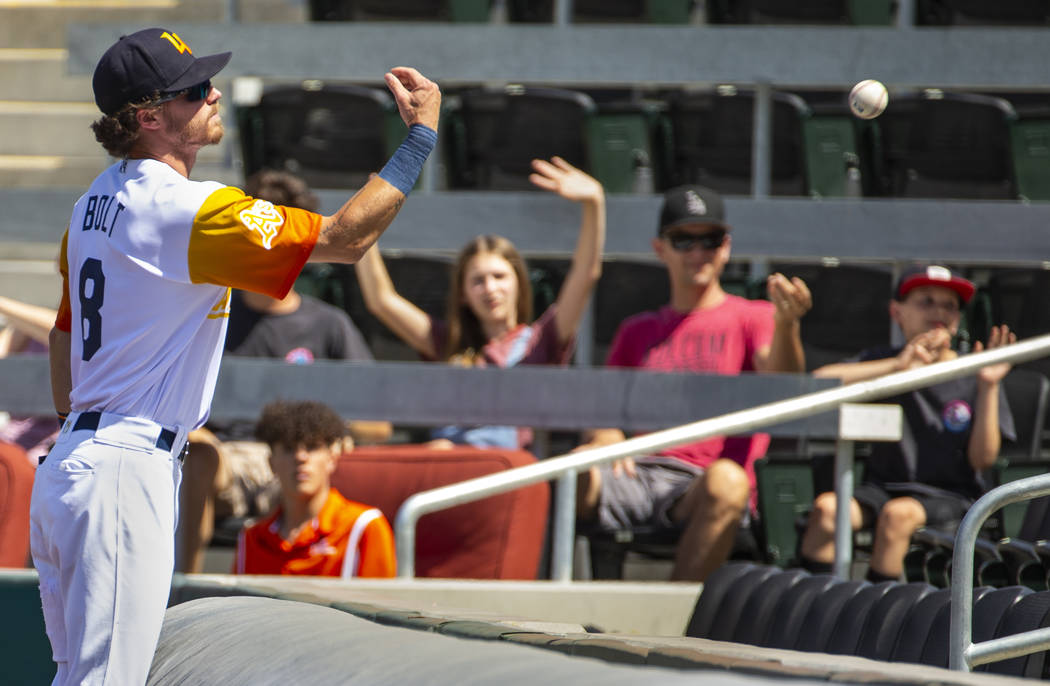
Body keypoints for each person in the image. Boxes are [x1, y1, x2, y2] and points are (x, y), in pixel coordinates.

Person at [30, 27, 439, 685]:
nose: (214, 92)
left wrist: (84, 434)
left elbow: (61, 332)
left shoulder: (91, 203)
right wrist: (419, 140)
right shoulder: (183, 209)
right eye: (194, 89)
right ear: (149, 117)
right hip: (122, 469)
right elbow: (345, 238)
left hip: (77, 464)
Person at [574, 184, 812, 582]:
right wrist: (604, 436)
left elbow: (784, 384)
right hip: (638, 471)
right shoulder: (637, 330)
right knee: (566, 473)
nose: (698, 253)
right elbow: (605, 410)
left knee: (728, 482)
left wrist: (787, 325)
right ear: (659, 248)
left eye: (710, 240)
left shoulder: (754, 316)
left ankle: (673, 628)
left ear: (727, 247)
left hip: (703, 482)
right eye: (684, 240)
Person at [177, 169, 392, 574]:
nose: (270, 251)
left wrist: (326, 434)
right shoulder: (211, 312)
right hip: (228, 458)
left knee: (304, 462)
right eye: (259, 240)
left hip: (301, 457)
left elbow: (378, 424)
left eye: (282, 242)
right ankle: (181, 590)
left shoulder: (329, 324)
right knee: (199, 452)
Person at [353, 155, 605, 450]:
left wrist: (594, 204)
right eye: (478, 280)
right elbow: (381, 301)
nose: (490, 288)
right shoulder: (447, 342)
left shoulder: (542, 341)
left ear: (519, 284)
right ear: (463, 293)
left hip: (507, 471)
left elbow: (585, 275)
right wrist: (364, 219)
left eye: (499, 276)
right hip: (447, 467)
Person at [799, 264, 1016, 582]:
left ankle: (875, 620)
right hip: (880, 489)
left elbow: (982, 460)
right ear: (896, 311)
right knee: (827, 509)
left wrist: (989, 385)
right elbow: (818, 383)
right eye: (926, 301)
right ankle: (812, 610)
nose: (938, 311)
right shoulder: (885, 362)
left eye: (949, 305)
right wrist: (898, 367)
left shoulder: (977, 372)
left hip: (949, 496)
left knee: (897, 516)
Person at [233, 400, 396, 578]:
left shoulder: (364, 527)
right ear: (271, 463)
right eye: (288, 449)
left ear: (332, 458)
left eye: (312, 447)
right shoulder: (251, 539)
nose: (300, 457)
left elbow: (379, 604)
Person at [0, 296, 62, 463]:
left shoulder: (79, 331)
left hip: (53, 446)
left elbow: (57, 330)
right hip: (13, 441)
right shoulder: (26, 325)